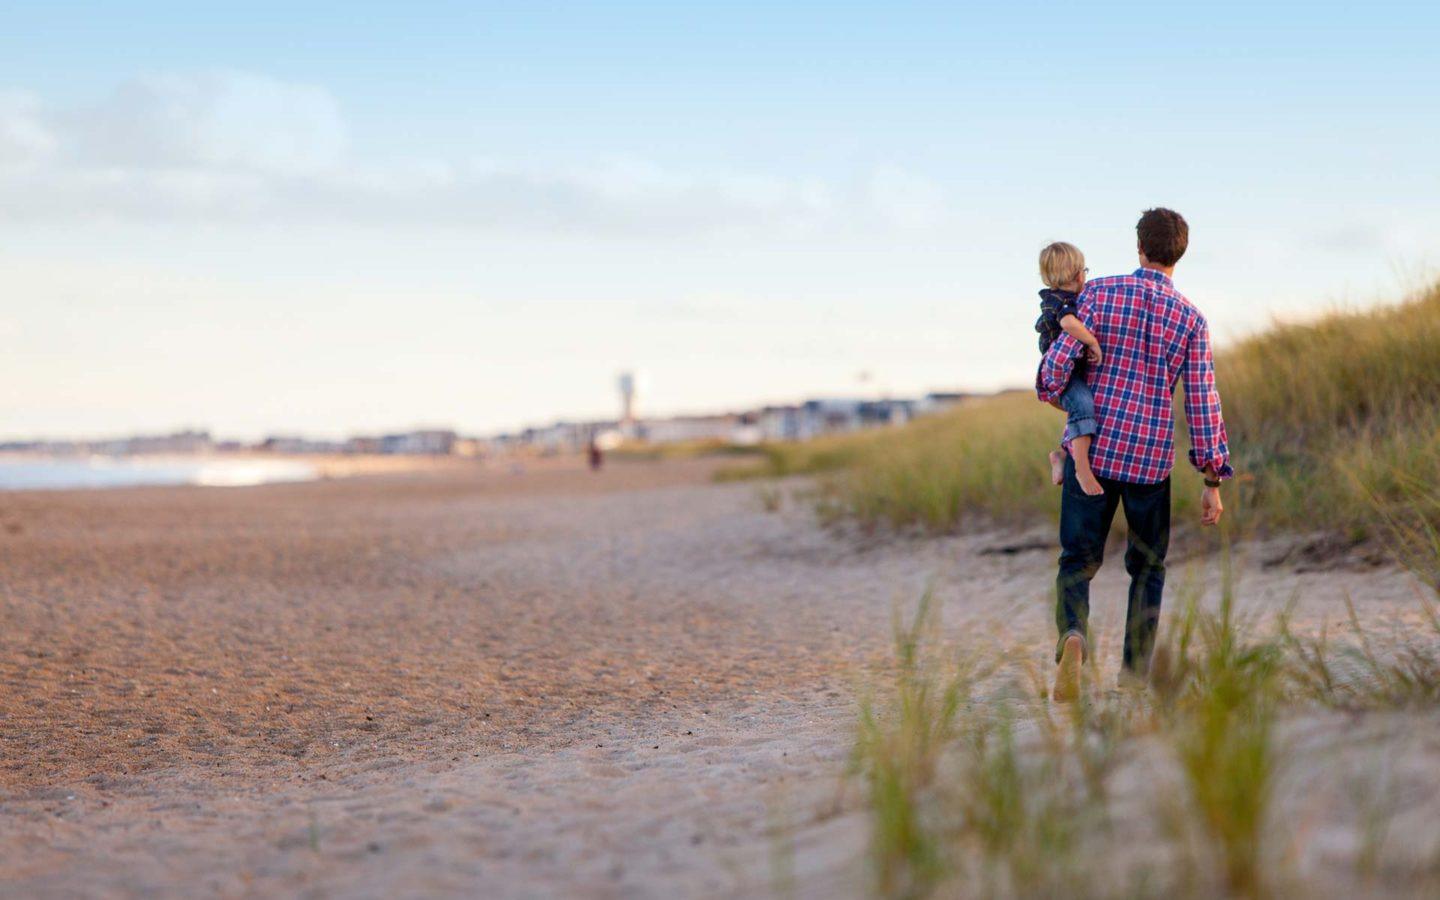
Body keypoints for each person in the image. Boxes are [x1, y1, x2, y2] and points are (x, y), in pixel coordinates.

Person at [1036, 208, 1232, 702]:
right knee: (1147, 568)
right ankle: (1134, 674)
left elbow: (1055, 366)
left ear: (1139, 247)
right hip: (1149, 461)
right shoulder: (1191, 318)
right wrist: (1211, 481)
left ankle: (1073, 637)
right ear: (1179, 254)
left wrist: (1057, 390)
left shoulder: (1098, 292)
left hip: (1095, 452)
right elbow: (1203, 402)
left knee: (1076, 562)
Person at [1034, 242, 1104, 496]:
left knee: (1080, 410)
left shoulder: (1060, 297)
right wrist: (1092, 340)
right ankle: (1082, 470)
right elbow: (1069, 324)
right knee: (1083, 405)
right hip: (1062, 375)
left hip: (1069, 371)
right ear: (1078, 274)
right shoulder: (1062, 302)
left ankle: (1062, 455)